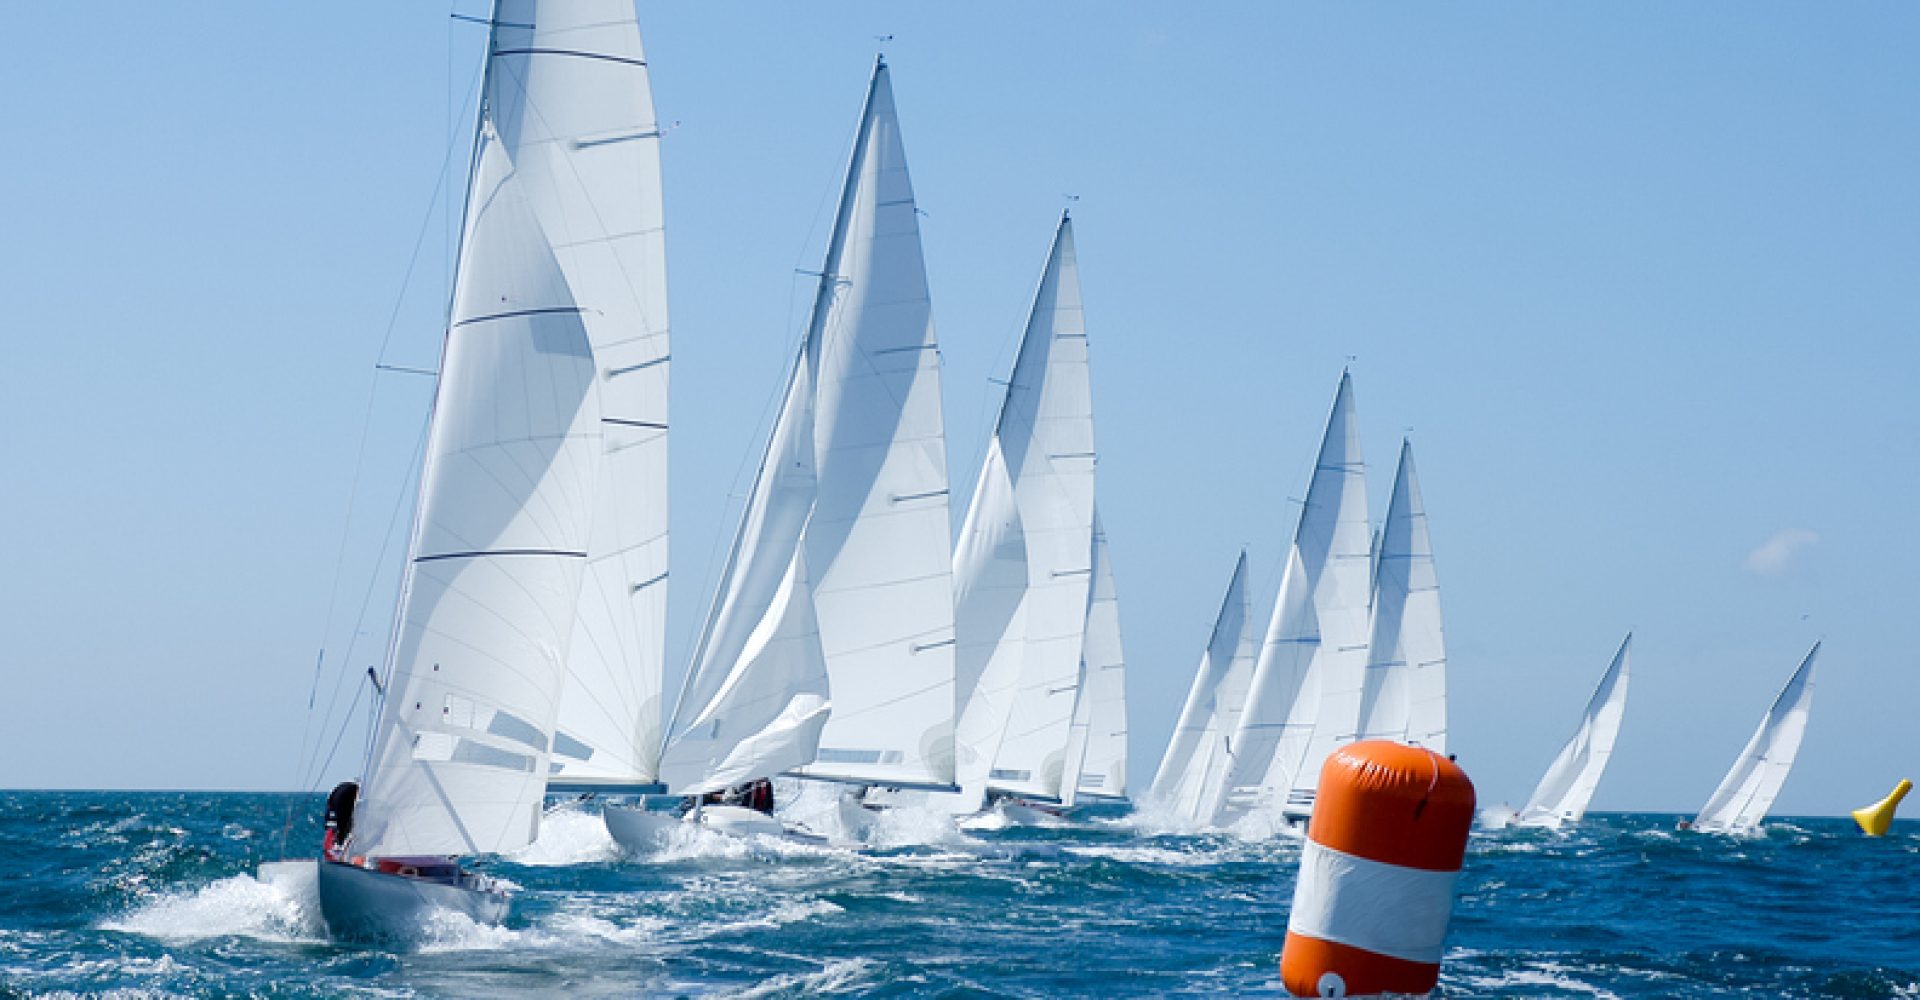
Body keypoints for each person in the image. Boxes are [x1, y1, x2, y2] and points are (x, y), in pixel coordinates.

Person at [323, 780, 358, 861]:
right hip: (347, 794)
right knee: (345, 829)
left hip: (337, 794)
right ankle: (338, 851)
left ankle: (337, 850)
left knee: (338, 829)